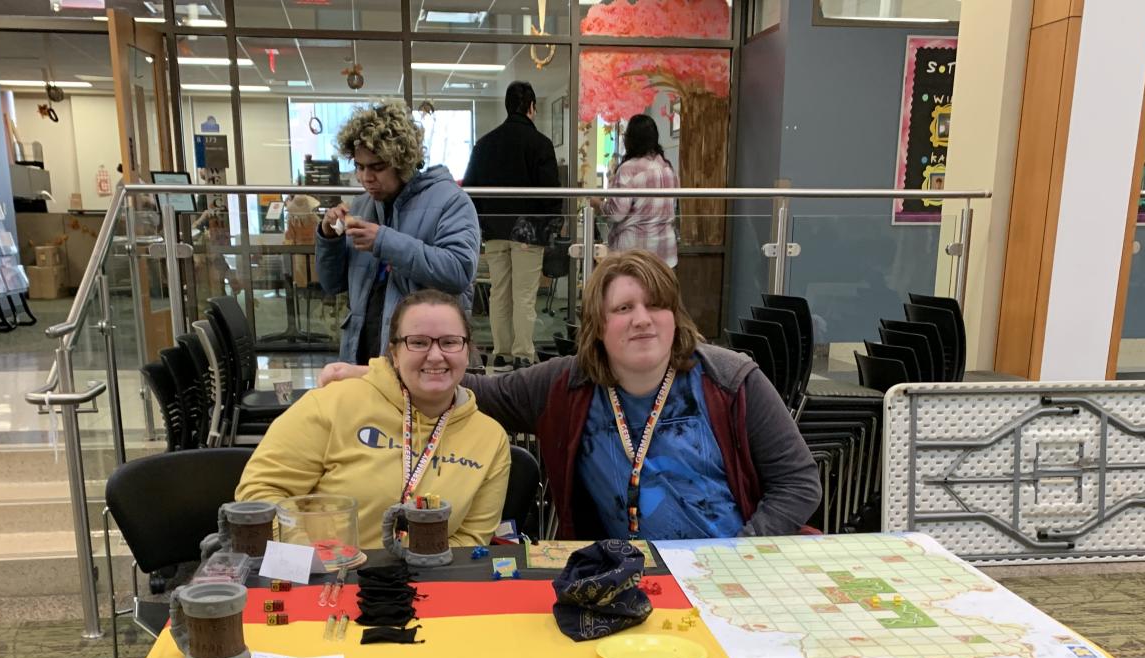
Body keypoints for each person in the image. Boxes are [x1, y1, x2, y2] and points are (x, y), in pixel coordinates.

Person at [320, 250, 820, 540]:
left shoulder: (731, 380)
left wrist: (742, 552)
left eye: (656, 305)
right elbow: (470, 386)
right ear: (598, 326)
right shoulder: (566, 384)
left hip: (730, 574)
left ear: (675, 316)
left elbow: (799, 483)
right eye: (623, 308)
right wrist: (373, 373)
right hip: (623, 580)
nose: (642, 319)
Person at [236, 290, 511, 549]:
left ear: (467, 350)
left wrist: (411, 579)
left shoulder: (490, 438)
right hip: (323, 579)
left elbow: (470, 539)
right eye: (418, 342)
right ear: (394, 352)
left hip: (422, 587)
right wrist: (311, 558)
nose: (436, 355)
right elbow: (260, 491)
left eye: (450, 342)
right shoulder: (333, 403)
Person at [317, 101, 481, 364]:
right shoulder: (362, 205)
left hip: (427, 360)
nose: (366, 177)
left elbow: (459, 271)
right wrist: (329, 239)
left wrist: (383, 241)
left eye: (377, 167)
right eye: (359, 166)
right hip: (363, 354)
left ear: (403, 161)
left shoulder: (451, 201)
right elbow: (331, 284)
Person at [462, 80, 561, 370]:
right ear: (531, 107)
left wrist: (482, 225)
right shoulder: (540, 144)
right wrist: (551, 229)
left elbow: (470, 189)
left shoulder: (484, 144)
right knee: (525, 295)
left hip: (493, 231)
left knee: (499, 291)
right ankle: (523, 354)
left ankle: (502, 352)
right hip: (528, 231)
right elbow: (551, 192)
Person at [602, 115, 679, 268]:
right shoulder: (667, 168)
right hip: (666, 255)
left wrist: (599, 204)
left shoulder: (628, 169)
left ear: (631, 139)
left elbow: (616, 214)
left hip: (635, 254)